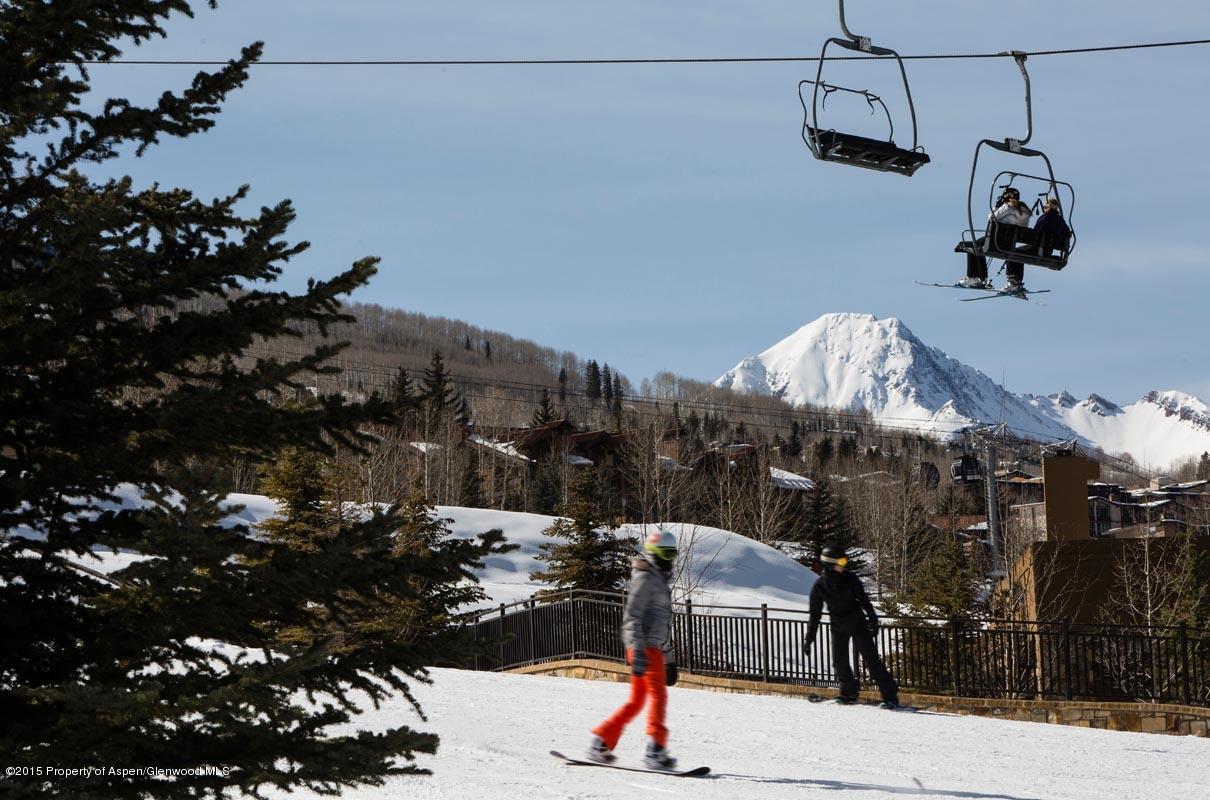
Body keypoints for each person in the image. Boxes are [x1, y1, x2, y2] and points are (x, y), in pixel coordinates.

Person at [588, 529, 679, 770]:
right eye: (665, 554)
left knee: (637, 702)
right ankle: (655, 750)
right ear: (654, 552)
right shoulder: (646, 578)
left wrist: (668, 658)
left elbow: (660, 623)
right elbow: (632, 618)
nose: (670, 559)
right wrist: (638, 651)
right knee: (658, 696)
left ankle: (600, 742)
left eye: (673, 554)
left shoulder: (657, 579)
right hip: (645, 648)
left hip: (652, 649)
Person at [802, 545, 899, 708]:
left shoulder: (850, 578)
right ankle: (848, 693)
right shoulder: (819, 586)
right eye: (841, 561)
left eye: (844, 561)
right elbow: (815, 615)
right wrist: (808, 639)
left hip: (857, 623)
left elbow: (864, 600)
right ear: (830, 564)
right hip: (838, 626)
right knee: (839, 662)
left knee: (871, 660)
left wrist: (873, 620)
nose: (844, 564)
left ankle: (890, 696)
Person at [955, 187, 1031, 290]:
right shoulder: (1025, 212)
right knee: (978, 245)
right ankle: (981, 278)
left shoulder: (1007, 207)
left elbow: (991, 217)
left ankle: (975, 277)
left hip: (995, 242)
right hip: (1009, 245)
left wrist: (996, 206)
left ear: (1006, 197)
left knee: (973, 245)